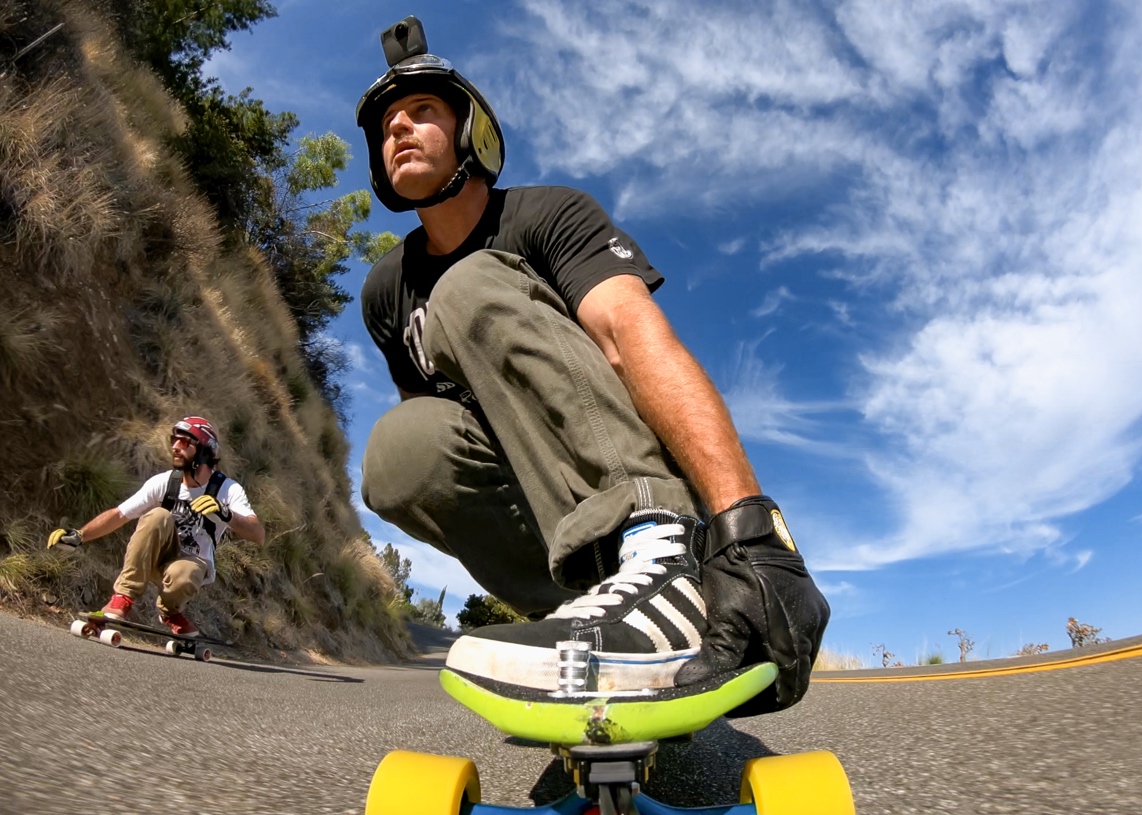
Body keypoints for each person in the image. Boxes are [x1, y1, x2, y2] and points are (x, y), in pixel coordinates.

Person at [355, 17, 828, 712]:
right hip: (546, 523)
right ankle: (591, 605)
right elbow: (436, 431)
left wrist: (745, 523)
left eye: (422, 111)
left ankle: (666, 563)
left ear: (471, 132)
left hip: (636, 488)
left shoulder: (548, 215)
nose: (398, 129)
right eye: (387, 124)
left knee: (471, 286)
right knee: (399, 452)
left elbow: (632, 337)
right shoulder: (386, 291)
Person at [48, 417, 264, 637]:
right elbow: (119, 514)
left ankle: (170, 611)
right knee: (158, 515)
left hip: (190, 564)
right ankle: (122, 597)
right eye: (174, 440)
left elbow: (257, 534)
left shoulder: (228, 489)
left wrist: (226, 514)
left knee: (185, 574)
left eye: (184, 442)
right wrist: (80, 535)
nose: (175, 447)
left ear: (204, 450)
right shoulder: (165, 482)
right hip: (155, 557)